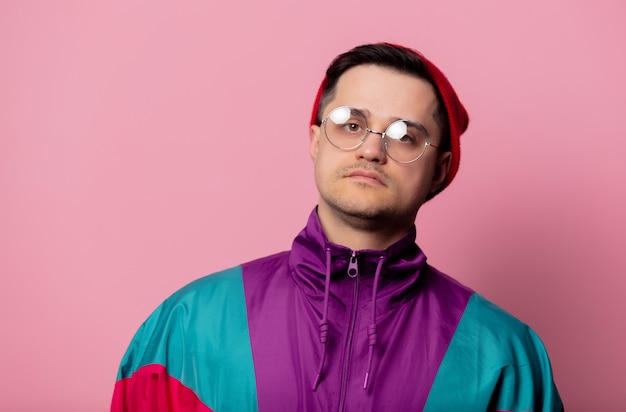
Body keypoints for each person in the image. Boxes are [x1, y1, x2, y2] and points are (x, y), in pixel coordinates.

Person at [111, 43, 563, 411]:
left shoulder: (505, 359)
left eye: (405, 136)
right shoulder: (190, 326)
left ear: (440, 171)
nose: (371, 150)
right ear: (315, 140)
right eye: (351, 124)